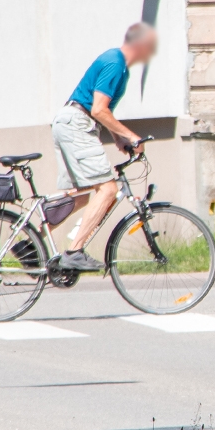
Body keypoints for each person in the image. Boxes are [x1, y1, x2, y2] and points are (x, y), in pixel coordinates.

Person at [51, 22, 158, 271]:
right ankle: (75, 252)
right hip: (77, 124)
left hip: (69, 122)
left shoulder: (118, 64)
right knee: (108, 190)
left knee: (78, 196)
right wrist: (131, 136)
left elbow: (101, 111)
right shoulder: (115, 63)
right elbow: (98, 109)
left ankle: (27, 242)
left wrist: (116, 136)